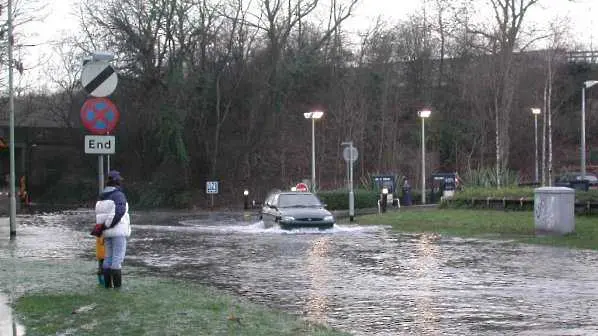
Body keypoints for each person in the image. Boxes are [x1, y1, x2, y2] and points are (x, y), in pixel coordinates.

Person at [95, 170, 131, 288]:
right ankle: (117, 288)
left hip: (106, 233)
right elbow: (119, 212)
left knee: (108, 258)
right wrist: (109, 224)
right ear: (116, 181)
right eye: (119, 179)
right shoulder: (118, 195)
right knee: (117, 260)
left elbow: (99, 214)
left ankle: (107, 286)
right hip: (118, 231)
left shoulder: (101, 196)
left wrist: (104, 227)